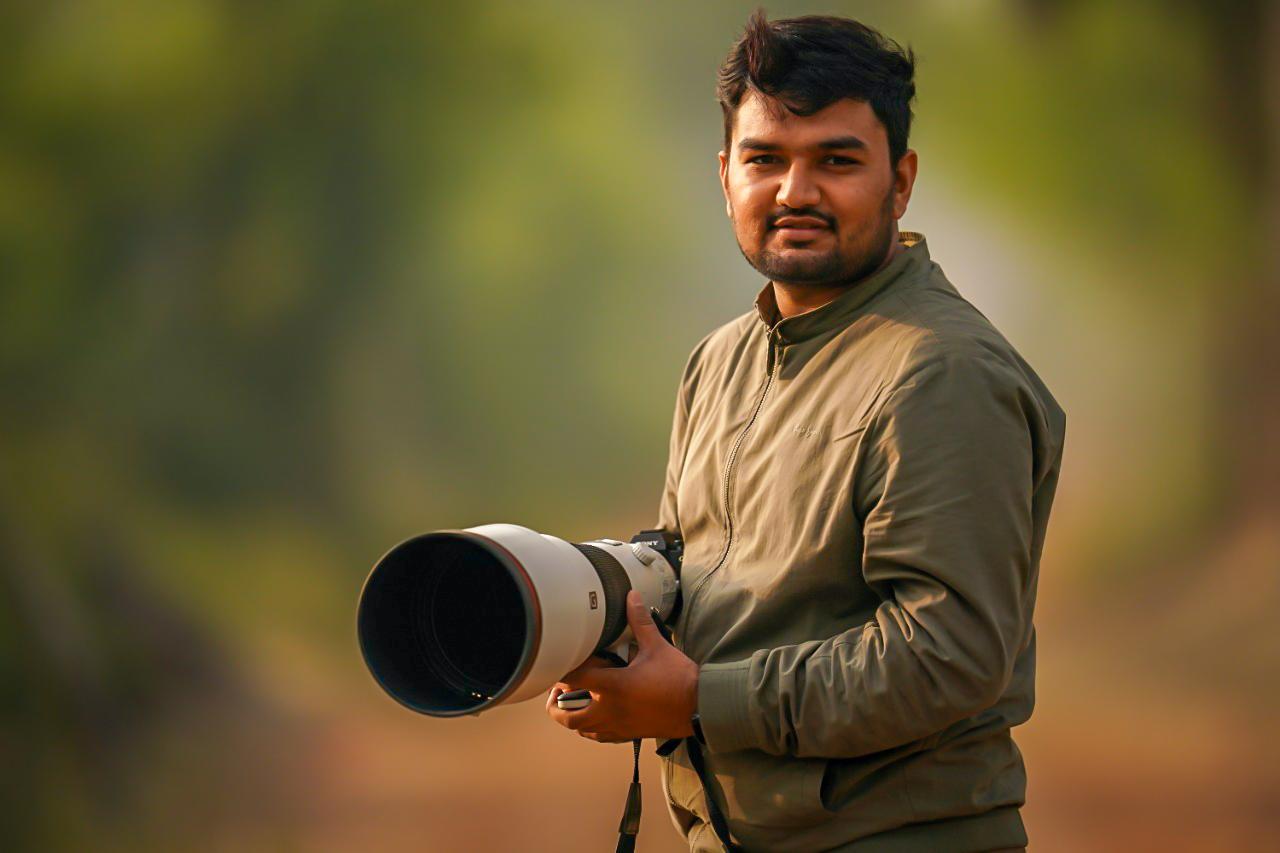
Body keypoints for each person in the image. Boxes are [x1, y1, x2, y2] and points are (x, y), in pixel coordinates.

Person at [547, 11, 1064, 852]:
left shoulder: (941, 371)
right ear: (725, 177)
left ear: (900, 182)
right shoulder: (719, 361)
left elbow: (948, 652)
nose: (794, 191)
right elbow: (697, 582)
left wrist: (695, 700)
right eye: (765, 159)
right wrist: (594, 639)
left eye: (835, 160)